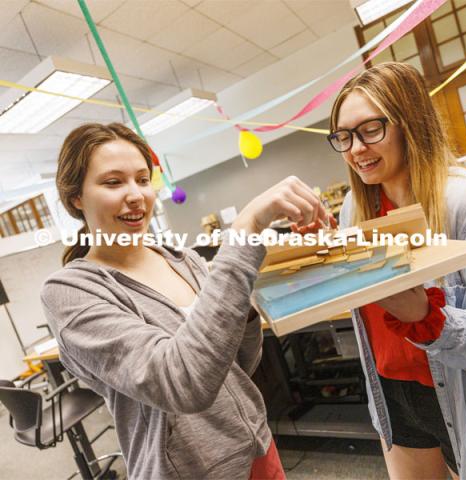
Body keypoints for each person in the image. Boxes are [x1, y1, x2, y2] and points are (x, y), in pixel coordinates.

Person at [40, 122, 327, 480]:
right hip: (193, 471)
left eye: (143, 180)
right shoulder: (71, 291)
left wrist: (243, 298)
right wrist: (244, 232)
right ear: (76, 198)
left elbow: (239, 363)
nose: (135, 194)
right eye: (113, 182)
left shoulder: (184, 260)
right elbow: (184, 383)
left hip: (256, 446)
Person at [325, 62, 466, 479]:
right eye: (344, 136)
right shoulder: (354, 211)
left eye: (370, 130)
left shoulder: (465, 202)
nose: (356, 148)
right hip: (393, 392)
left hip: (462, 390)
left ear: (409, 123)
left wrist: (429, 321)